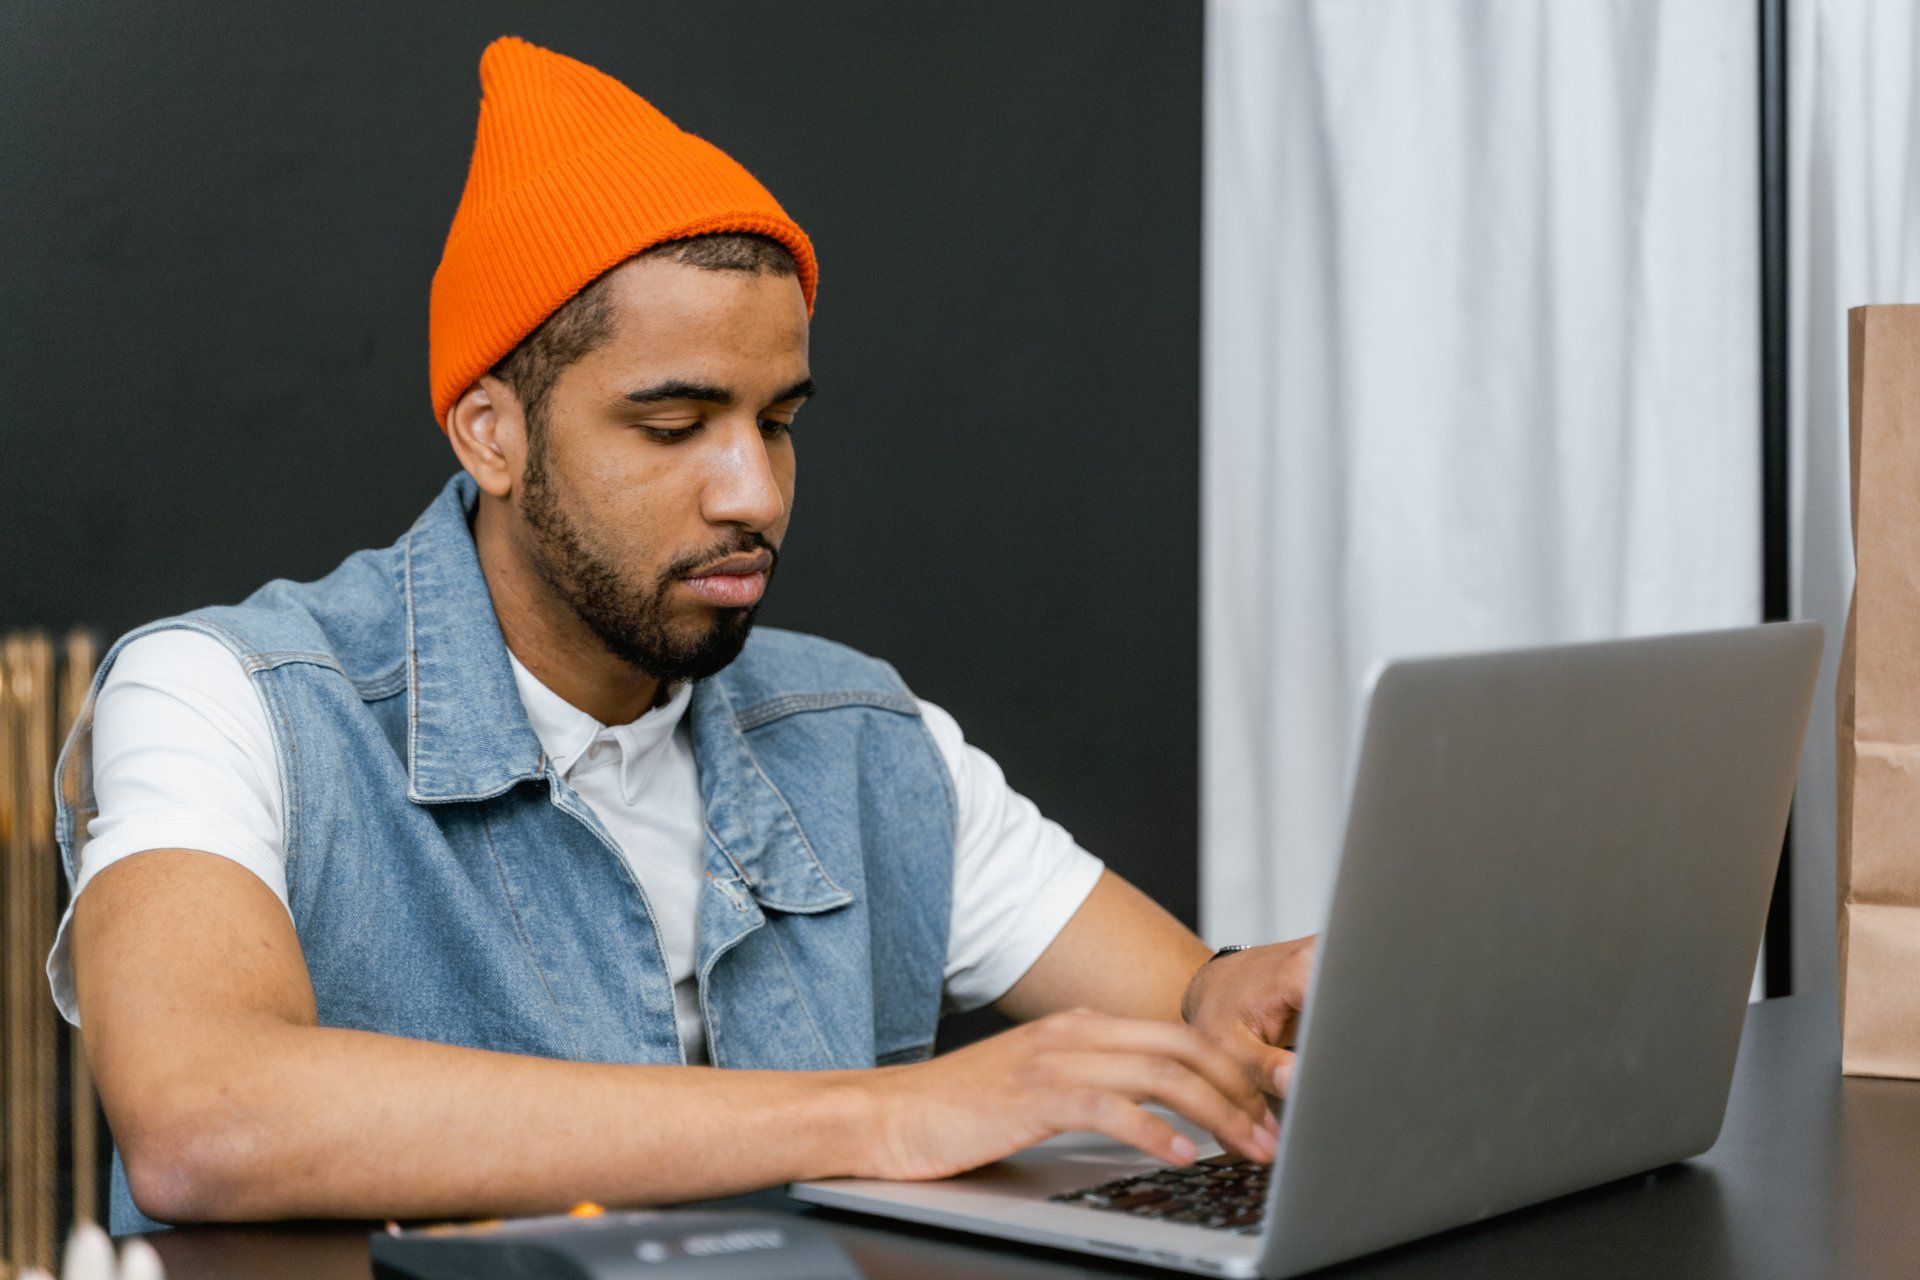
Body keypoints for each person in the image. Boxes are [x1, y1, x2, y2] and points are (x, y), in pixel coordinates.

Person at [49, 35, 1316, 1237]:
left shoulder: (863, 737)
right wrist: (882, 1114)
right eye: (673, 425)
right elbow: (203, 1115)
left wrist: (1243, 998)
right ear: (490, 431)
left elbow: (1193, 1006)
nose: (754, 494)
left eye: (778, 422)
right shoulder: (226, 694)